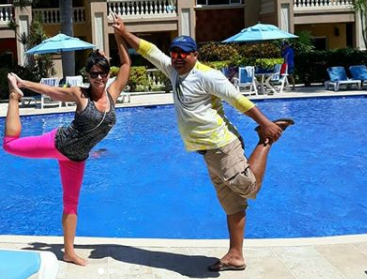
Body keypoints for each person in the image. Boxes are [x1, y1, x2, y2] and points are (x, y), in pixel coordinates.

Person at [114, 22, 294, 272]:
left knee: (249, 188)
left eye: (183, 53)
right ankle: (235, 255)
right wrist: (123, 33)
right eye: (174, 52)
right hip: (207, 153)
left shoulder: (208, 75)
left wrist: (265, 125)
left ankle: (266, 140)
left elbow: (238, 100)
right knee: (233, 205)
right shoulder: (173, 70)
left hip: (222, 145)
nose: (177, 57)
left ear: (194, 55)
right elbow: (148, 49)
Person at [3, 16, 130, 266]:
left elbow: (126, 63)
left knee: (71, 203)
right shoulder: (79, 95)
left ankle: (69, 251)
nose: (99, 78)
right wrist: (22, 84)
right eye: (94, 74)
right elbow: (51, 92)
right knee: (9, 146)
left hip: (76, 158)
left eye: (103, 73)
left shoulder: (113, 94)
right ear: (88, 74)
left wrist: (119, 34)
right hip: (57, 144)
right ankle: (13, 98)